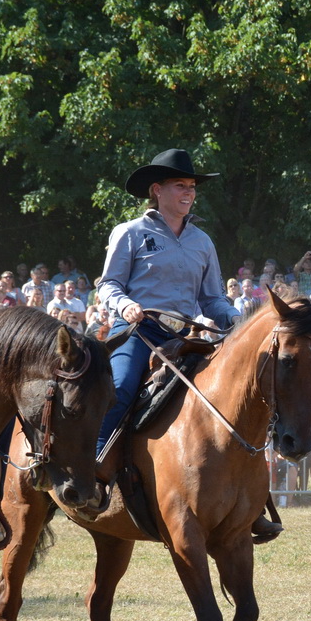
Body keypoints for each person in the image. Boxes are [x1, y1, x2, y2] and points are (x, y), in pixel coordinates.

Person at [94, 147, 239, 456]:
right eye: (180, 185)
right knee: (120, 390)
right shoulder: (130, 232)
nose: (188, 193)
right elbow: (108, 285)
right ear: (157, 190)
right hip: (138, 332)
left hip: (184, 338)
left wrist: (235, 317)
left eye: (192, 187)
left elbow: (213, 299)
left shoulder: (202, 241)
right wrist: (125, 305)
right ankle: (94, 466)